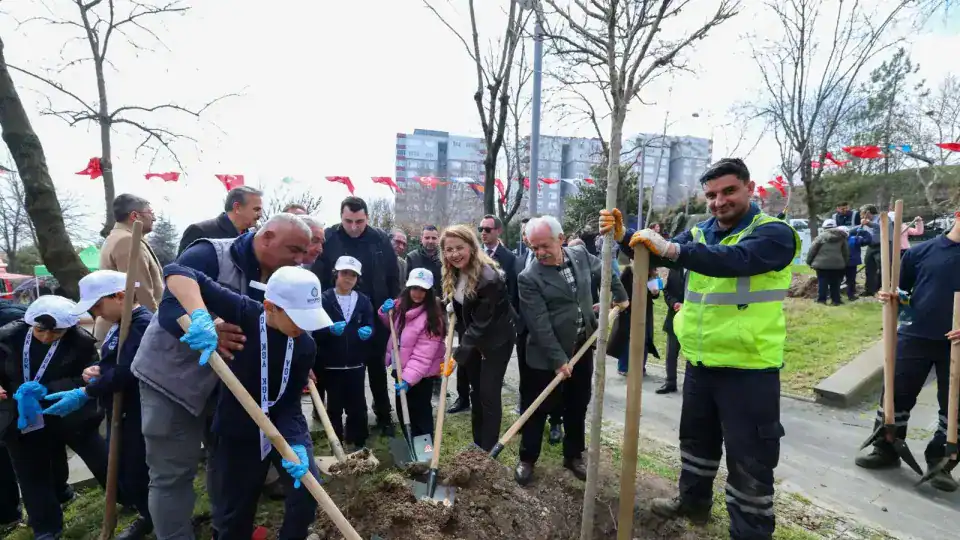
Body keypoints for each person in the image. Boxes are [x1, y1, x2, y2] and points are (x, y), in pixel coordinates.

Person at [601, 157, 800, 539]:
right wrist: (627, 237)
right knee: (696, 441)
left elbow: (733, 260)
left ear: (750, 188)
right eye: (711, 195)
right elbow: (657, 253)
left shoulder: (774, 234)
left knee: (750, 459)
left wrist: (674, 251)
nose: (719, 201)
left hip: (748, 369)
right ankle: (693, 502)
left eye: (729, 191)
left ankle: (750, 531)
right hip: (700, 362)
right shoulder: (701, 232)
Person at [130, 213, 310, 540]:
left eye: (304, 252)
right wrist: (204, 321)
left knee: (223, 459)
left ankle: (224, 527)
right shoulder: (211, 253)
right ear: (267, 237)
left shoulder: (280, 276)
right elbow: (170, 304)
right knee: (173, 472)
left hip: (226, 386)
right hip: (174, 380)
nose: (300, 259)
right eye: (294, 250)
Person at [163, 263, 330, 538]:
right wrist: (200, 315)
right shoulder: (246, 314)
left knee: (307, 490)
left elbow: (289, 404)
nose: (304, 326)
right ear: (270, 307)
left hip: (279, 427)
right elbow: (178, 271)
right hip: (236, 431)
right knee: (235, 510)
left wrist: (298, 443)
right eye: (298, 317)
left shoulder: (305, 345)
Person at [40, 271, 155, 539]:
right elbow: (114, 363)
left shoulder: (141, 324)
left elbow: (130, 370)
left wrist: (88, 391)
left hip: (138, 409)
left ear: (120, 296)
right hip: (119, 409)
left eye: (97, 306)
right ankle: (146, 515)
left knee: (138, 470)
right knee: (124, 470)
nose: (96, 314)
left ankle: (159, 520)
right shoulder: (119, 324)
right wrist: (98, 370)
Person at [514, 216, 628, 485]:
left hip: (581, 346)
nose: (540, 253)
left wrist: (621, 295)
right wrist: (557, 360)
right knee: (537, 407)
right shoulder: (528, 278)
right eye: (534, 248)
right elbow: (539, 324)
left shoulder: (580, 255)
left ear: (561, 239)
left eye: (545, 246)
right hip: (544, 356)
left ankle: (573, 455)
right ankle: (527, 458)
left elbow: (605, 272)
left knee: (578, 403)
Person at [855, 207, 960, 492]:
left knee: (955, 406)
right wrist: (891, 297)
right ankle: (886, 447)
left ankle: (941, 462)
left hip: (957, 343)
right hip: (915, 335)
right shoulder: (921, 252)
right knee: (896, 393)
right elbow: (904, 293)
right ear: (958, 214)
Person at [0, 296, 108, 540]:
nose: (47, 337)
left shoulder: (80, 343)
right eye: (40, 330)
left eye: (56, 332)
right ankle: (46, 528)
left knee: (100, 457)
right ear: (29, 324)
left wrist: (48, 389)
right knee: (31, 473)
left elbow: (87, 379)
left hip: (66, 411)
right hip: (21, 415)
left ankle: (129, 497)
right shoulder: (7, 338)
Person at [312, 197, 400, 437]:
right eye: (348, 221)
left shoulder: (379, 239)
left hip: (374, 311)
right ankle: (323, 413)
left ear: (367, 218)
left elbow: (392, 273)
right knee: (330, 364)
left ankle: (383, 413)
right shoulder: (330, 237)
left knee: (376, 366)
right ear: (341, 217)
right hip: (336, 311)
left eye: (359, 221)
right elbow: (318, 275)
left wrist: (394, 303)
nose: (353, 227)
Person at [441, 225, 516, 451]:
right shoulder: (455, 271)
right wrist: (452, 306)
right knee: (476, 391)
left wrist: (456, 357)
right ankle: (477, 445)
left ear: (472, 247)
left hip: (496, 341)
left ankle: (488, 449)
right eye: (449, 249)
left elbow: (481, 324)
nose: (454, 254)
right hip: (473, 339)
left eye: (459, 248)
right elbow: (465, 305)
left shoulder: (488, 279)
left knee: (488, 394)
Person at [314, 256, 374, 450]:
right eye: (344, 273)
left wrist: (369, 331)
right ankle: (336, 443)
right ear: (336, 274)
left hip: (356, 363)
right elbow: (314, 330)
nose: (348, 278)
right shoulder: (324, 299)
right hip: (331, 364)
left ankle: (358, 441)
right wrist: (328, 330)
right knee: (334, 407)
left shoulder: (363, 300)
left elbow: (370, 322)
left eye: (353, 275)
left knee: (357, 405)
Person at [380, 268, 446, 439]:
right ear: (408, 288)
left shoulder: (432, 319)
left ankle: (425, 447)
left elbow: (423, 356)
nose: (418, 293)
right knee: (403, 410)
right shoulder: (401, 307)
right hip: (400, 368)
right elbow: (392, 326)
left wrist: (408, 380)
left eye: (423, 289)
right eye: (415, 288)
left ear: (429, 292)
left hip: (421, 375)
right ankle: (410, 443)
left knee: (420, 413)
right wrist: (385, 312)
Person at [97, 194, 164, 340]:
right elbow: (140, 291)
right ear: (134, 216)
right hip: (131, 331)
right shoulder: (127, 241)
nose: (154, 218)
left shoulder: (118, 237)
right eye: (150, 212)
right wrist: (155, 327)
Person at [405, 225, 444, 401]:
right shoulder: (412, 257)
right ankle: (414, 376)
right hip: (417, 307)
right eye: (427, 237)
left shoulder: (443, 258)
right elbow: (407, 283)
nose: (430, 241)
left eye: (434, 238)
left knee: (437, 345)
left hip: (439, 306)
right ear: (421, 238)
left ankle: (436, 379)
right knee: (418, 344)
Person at [178, 186, 264, 256]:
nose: (260, 215)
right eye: (256, 209)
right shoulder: (199, 231)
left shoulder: (252, 239)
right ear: (237, 207)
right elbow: (180, 269)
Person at [608, 264, 659, 377]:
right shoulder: (628, 272)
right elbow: (619, 290)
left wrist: (655, 289)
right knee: (627, 339)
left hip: (644, 311)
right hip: (628, 310)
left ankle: (640, 368)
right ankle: (624, 367)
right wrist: (618, 303)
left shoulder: (651, 274)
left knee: (645, 339)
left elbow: (655, 294)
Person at [806, 219, 849, 306]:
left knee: (822, 282)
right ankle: (836, 300)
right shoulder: (842, 237)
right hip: (837, 264)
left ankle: (822, 300)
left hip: (822, 265)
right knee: (835, 283)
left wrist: (809, 261)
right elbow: (845, 252)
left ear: (824, 227)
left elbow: (812, 250)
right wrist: (844, 263)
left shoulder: (820, 237)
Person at [659, 266, 686, 394]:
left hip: (691, 320)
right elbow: (666, 291)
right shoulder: (675, 269)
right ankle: (670, 382)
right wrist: (674, 303)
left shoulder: (698, 270)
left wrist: (686, 306)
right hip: (674, 318)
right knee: (671, 353)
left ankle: (691, 385)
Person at [842, 225, 872, 301]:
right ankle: (851, 295)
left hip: (839, 263)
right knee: (851, 280)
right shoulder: (854, 239)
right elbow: (868, 240)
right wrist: (863, 232)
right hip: (851, 263)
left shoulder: (835, 241)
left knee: (837, 279)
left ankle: (835, 296)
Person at [860, 205, 883, 297]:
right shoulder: (865, 221)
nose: (861, 215)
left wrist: (869, 223)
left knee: (882, 268)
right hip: (870, 246)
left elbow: (881, 228)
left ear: (868, 212)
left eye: (862, 213)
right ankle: (869, 289)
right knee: (869, 267)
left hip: (881, 246)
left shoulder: (881, 218)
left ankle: (880, 288)